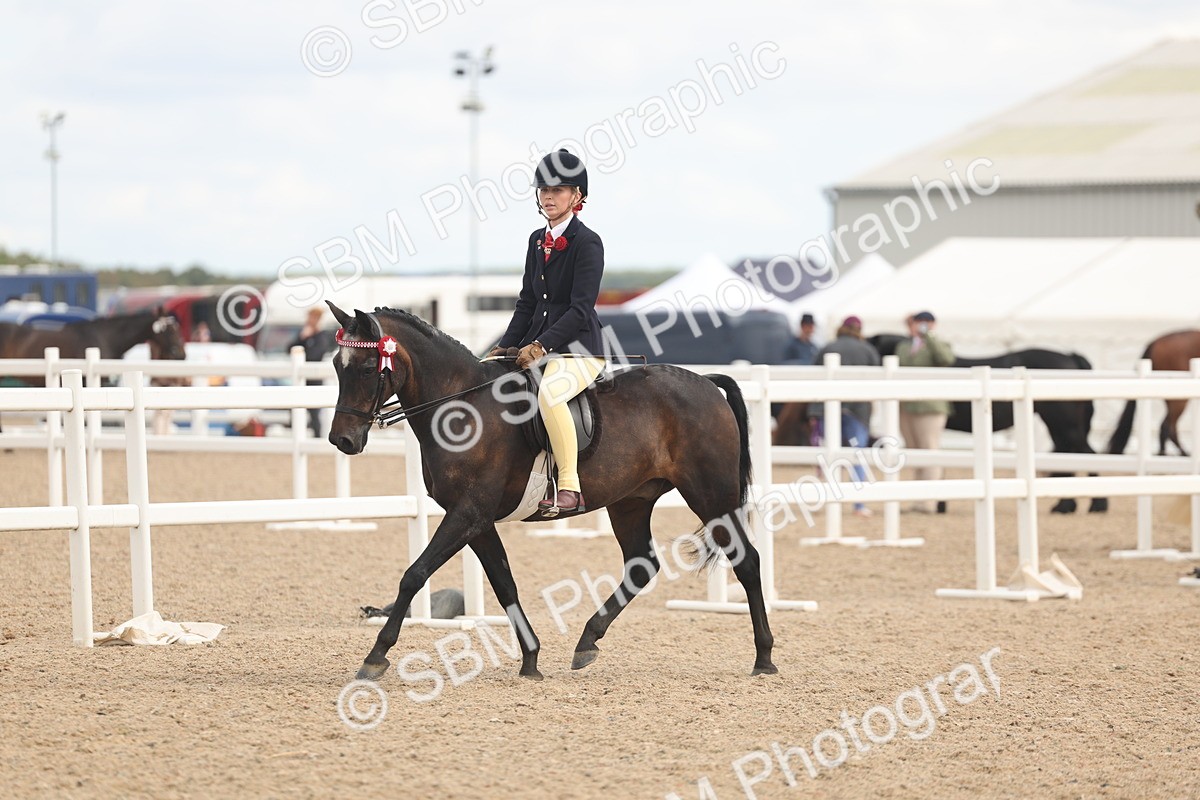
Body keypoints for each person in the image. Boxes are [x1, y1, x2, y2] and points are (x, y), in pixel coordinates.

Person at [490, 149, 604, 513]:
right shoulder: (536, 240)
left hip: (578, 350)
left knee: (551, 394)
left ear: (577, 196)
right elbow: (527, 302)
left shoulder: (588, 243)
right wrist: (504, 347)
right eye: (544, 190)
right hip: (535, 344)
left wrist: (541, 345)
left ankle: (570, 486)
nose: (548, 196)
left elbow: (580, 308)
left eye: (558, 190)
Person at [807, 315, 880, 516]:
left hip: (827, 409)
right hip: (857, 410)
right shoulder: (868, 350)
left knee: (830, 454)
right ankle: (858, 503)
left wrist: (813, 411)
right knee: (858, 455)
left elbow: (813, 379)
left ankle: (830, 500)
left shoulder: (827, 348)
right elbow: (876, 382)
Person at [896, 310, 955, 512]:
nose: (921, 325)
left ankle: (929, 500)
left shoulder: (938, 344)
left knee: (930, 450)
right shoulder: (905, 346)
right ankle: (918, 497)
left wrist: (928, 337)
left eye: (926, 322)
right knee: (914, 451)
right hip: (908, 405)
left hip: (930, 406)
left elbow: (945, 358)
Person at [291, 307, 334, 437]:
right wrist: (303, 338)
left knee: (314, 413)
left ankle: (317, 437)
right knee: (295, 411)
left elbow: (315, 355)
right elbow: (290, 348)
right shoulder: (305, 335)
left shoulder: (321, 336)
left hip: (314, 379)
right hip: (300, 379)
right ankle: (298, 436)